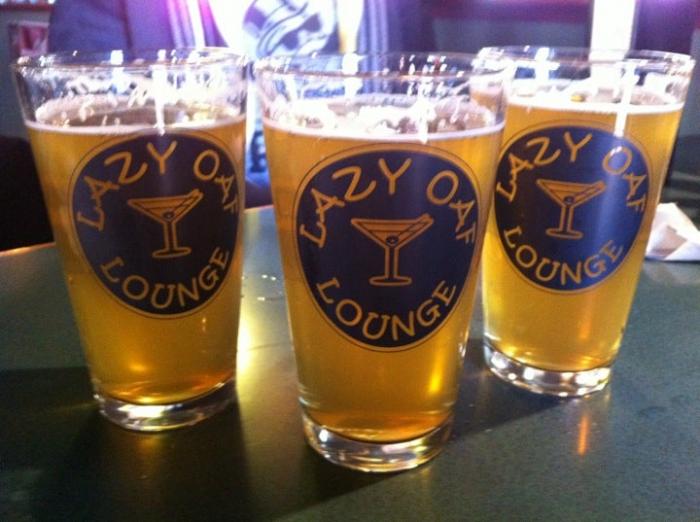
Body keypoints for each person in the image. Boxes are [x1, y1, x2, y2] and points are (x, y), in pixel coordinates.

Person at [48, 0, 435, 207]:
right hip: (193, 267)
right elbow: (99, 191)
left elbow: (424, 145)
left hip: (360, 263)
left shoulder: (398, 6)